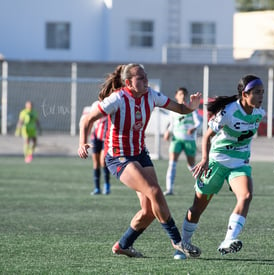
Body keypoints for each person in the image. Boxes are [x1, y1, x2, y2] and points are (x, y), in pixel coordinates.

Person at [78, 63, 201, 258]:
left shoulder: (151, 95)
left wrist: (191, 107)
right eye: (141, 78)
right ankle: (178, 242)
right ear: (128, 82)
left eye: (146, 77)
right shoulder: (117, 98)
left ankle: (123, 245)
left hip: (140, 153)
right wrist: (83, 142)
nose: (146, 81)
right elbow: (87, 120)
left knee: (150, 210)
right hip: (119, 157)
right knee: (154, 191)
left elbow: (179, 108)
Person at [175, 74, 265, 260]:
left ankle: (228, 240)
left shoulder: (259, 113)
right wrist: (205, 159)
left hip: (239, 163)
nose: (261, 96)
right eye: (257, 92)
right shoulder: (229, 111)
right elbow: (207, 136)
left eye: (262, 92)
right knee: (197, 208)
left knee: (246, 196)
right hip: (217, 161)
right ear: (245, 93)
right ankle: (182, 245)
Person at [163, 87, 201, 196]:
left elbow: (198, 122)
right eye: (180, 94)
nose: (182, 96)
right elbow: (171, 124)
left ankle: (202, 186)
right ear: (176, 96)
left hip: (189, 140)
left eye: (184, 94)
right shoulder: (174, 110)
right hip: (176, 140)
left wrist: (194, 128)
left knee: (192, 166)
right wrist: (167, 132)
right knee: (172, 164)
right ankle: (169, 189)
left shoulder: (191, 108)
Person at [80, 101, 111, 195]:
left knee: (103, 161)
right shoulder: (95, 105)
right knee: (96, 162)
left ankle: (107, 185)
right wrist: (86, 136)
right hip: (95, 138)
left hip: (106, 138)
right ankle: (97, 188)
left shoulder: (111, 103)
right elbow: (89, 121)